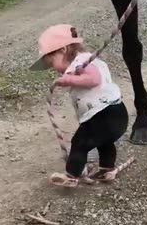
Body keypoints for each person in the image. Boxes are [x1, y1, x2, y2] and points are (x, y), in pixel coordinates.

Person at [30, 24, 128, 187]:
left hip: (103, 114)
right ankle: (106, 169)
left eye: (52, 62)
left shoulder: (81, 62)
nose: (54, 69)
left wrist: (68, 80)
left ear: (63, 49)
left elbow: (93, 79)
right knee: (104, 142)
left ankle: (72, 175)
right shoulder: (86, 59)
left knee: (79, 143)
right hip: (116, 113)